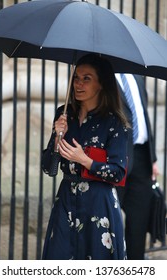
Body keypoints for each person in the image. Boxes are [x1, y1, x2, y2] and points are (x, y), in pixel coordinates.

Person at [41, 54, 129, 260]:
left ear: (101, 84)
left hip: (99, 205)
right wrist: (56, 137)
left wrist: (85, 160)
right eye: (76, 78)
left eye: (86, 78)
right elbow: (49, 168)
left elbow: (118, 173)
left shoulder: (114, 122)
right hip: (66, 201)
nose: (78, 84)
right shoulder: (64, 115)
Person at [115, 73, 159, 260]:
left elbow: (143, 115)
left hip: (142, 157)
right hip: (115, 157)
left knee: (139, 220)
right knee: (111, 218)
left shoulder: (138, 76)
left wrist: (153, 159)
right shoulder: (102, 75)